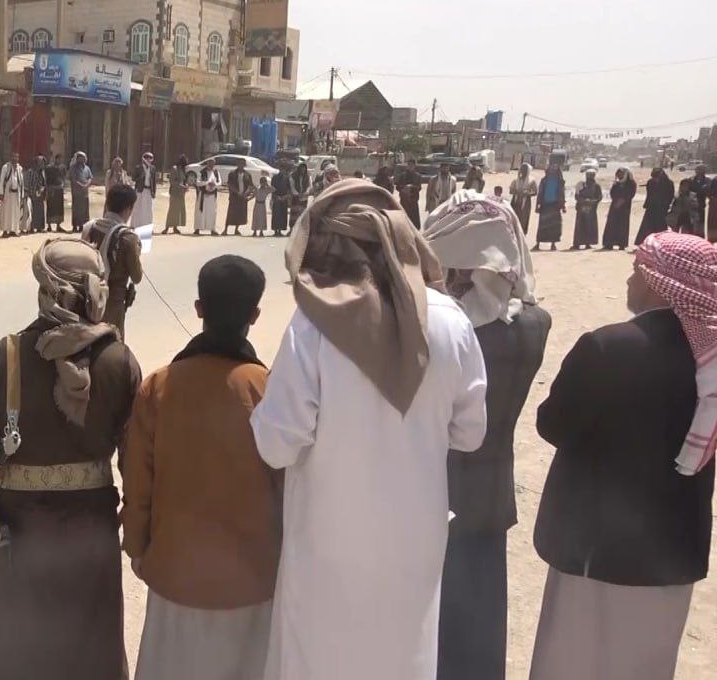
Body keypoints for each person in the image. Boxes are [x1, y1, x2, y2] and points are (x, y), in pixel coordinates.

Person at [251, 178, 487, 680]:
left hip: (327, 547)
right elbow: (470, 433)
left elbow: (275, 444)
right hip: (415, 542)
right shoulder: (451, 320)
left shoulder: (313, 325)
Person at [528, 232, 716, 680]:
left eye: (637, 272)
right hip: (673, 557)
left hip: (597, 553)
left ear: (660, 284)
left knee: (574, 662)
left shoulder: (608, 347)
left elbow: (552, 425)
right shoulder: (709, 361)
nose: (630, 282)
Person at [0, 238, 142, 680]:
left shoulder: (9, 355)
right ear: (94, 291)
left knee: (19, 650)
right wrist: (137, 515)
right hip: (90, 534)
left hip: (22, 533)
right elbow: (136, 459)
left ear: (44, 290)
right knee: (88, 650)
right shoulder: (118, 360)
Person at [122, 255, 278, 680]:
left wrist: (138, 547)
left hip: (175, 578)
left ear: (198, 309)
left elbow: (138, 481)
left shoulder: (159, 385)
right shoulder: (269, 389)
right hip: (252, 583)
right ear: (255, 315)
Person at [423, 193, 551, 680]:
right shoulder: (534, 324)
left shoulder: (440, 330)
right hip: (491, 492)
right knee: (481, 614)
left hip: (436, 490)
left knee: (433, 621)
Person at [82, 184, 143, 338]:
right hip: (113, 303)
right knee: (113, 346)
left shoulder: (90, 227)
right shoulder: (128, 238)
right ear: (129, 208)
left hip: (87, 299)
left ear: (107, 204)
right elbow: (137, 276)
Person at [636, 167, 675, 246]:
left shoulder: (669, 183)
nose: (655, 179)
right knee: (647, 226)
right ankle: (645, 243)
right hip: (651, 207)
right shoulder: (650, 182)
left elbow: (670, 195)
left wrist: (666, 205)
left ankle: (661, 243)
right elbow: (649, 194)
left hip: (662, 208)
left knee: (660, 227)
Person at [534, 164, 566, 252]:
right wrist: (537, 205)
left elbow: (562, 194)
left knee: (554, 226)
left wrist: (563, 206)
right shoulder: (544, 181)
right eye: (550, 170)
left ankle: (553, 244)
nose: (552, 171)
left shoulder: (560, 182)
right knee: (542, 226)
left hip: (555, 206)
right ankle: (538, 243)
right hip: (545, 206)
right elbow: (540, 193)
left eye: (554, 170)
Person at [604, 167, 636, 251]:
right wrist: (616, 201)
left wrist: (622, 201)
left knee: (623, 225)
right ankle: (609, 243)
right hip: (614, 206)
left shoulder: (631, 183)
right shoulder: (616, 183)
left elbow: (631, 194)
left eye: (621, 174)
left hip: (625, 207)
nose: (618, 176)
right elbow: (612, 193)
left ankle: (622, 244)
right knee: (611, 224)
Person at [223, 158, 255, 236]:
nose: (241, 165)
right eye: (240, 164)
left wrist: (246, 193)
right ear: (237, 164)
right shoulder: (232, 173)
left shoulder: (247, 174)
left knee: (240, 214)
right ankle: (226, 229)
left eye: (243, 164)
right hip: (234, 197)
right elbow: (230, 185)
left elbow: (251, 186)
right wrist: (237, 192)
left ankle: (236, 229)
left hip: (243, 197)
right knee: (231, 214)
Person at [571, 170, 601, 251]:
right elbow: (577, 196)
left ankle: (588, 243)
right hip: (581, 209)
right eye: (589, 175)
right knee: (580, 226)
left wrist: (592, 202)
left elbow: (599, 197)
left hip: (591, 209)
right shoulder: (581, 184)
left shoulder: (596, 186)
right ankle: (577, 244)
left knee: (590, 226)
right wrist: (583, 201)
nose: (590, 177)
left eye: (592, 175)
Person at [0, 152, 26, 237]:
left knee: (15, 213)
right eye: (14, 157)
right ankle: (5, 231)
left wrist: (22, 195)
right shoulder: (6, 167)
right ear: (11, 157)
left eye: (17, 157)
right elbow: (2, 180)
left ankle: (13, 230)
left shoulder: (19, 168)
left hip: (16, 194)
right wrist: (1, 193)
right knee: (6, 212)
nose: (15, 159)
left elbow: (21, 182)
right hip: (7, 194)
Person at [131, 152, 158, 229]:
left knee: (148, 209)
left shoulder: (153, 168)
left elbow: (154, 181)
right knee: (137, 207)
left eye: (150, 158)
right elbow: (133, 178)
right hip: (140, 190)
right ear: (144, 159)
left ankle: (147, 226)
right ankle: (135, 225)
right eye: (147, 158)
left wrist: (154, 192)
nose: (149, 160)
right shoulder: (138, 167)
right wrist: (142, 175)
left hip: (149, 191)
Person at [509, 164, 537, 235]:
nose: (522, 171)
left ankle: (521, 236)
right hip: (515, 203)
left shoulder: (531, 181)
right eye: (521, 169)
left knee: (523, 221)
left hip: (525, 205)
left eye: (524, 170)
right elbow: (511, 191)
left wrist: (527, 193)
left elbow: (535, 192)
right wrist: (516, 191)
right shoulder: (515, 181)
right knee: (513, 219)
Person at [164, 155, 189, 234]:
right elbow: (172, 182)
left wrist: (186, 186)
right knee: (172, 210)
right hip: (174, 193)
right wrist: (182, 186)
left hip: (181, 193)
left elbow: (184, 180)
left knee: (178, 211)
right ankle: (167, 228)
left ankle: (175, 227)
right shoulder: (174, 169)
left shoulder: (183, 170)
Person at [195, 159, 221, 236]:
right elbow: (198, 183)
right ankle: (197, 228)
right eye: (209, 164)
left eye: (212, 164)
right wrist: (207, 183)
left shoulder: (216, 172)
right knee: (200, 212)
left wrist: (214, 184)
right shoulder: (201, 172)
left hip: (212, 196)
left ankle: (212, 229)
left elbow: (220, 182)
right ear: (207, 164)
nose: (211, 165)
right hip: (203, 195)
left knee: (212, 212)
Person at [68, 152, 93, 231]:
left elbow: (90, 178)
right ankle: (75, 226)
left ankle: (83, 226)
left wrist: (87, 185)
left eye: (82, 157)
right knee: (76, 209)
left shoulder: (87, 168)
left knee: (84, 210)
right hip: (76, 192)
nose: (81, 159)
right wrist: (81, 185)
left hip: (85, 193)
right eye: (79, 157)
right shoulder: (73, 168)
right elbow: (73, 179)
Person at [397, 158, 424, 229]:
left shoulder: (418, 176)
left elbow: (419, 187)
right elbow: (397, 187)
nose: (410, 166)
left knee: (414, 220)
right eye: (409, 165)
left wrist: (412, 187)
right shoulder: (402, 175)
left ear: (415, 166)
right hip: (404, 200)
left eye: (412, 165)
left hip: (413, 200)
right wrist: (404, 188)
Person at [269, 160, 294, 237]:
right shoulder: (275, 178)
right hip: (276, 198)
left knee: (283, 215)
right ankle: (276, 231)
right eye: (281, 169)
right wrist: (276, 197)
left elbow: (289, 190)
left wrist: (285, 197)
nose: (282, 170)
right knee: (276, 215)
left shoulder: (287, 178)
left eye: (283, 169)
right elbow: (272, 188)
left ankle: (280, 231)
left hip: (284, 199)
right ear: (279, 169)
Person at [43, 153, 67, 233]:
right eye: (59, 159)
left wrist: (63, 184)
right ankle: (49, 226)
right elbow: (46, 179)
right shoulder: (49, 168)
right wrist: (47, 189)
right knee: (51, 207)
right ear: (56, 159)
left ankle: (58, 225)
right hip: (51, 189)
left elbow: (64, 177)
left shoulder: (63, 167)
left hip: (59, 190)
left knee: (59, 208)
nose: (60, 160)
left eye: (61, 159)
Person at [25, 155, 47, 234]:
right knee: (32, 211)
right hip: (32, 194)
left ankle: (39, 227)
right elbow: (28, 183)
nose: (42, 164)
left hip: (40, 195)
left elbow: (44, 183)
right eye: (41, 163)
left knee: (40, 211)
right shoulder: (31, 172)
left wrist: (43, 191)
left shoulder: (42, 172)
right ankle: (31, 228)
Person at [288, 161, 311, 230]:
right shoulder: (293, 176)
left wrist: (306, 192)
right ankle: (292, 229)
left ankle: (301, 230)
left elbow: (309, 186)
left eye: (304, 169)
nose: (303, 170)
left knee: (302, 214)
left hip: (304, 198)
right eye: (301, 168)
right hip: (296, 198)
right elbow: (292, 186)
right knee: (294, 215)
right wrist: (297, 194)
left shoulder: (308, 176)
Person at [252, 173, 271, 237]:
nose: (263, 183)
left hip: (262, 204)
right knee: (256, 217)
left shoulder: (266, 190)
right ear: (260, 182)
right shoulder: (257, 188)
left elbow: (273, 189)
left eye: (264, 181)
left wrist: (267, 185)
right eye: (262, 181)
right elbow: (253, 195)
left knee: (262, 218)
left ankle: (261, 231)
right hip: (257, 204)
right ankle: (254, 231)